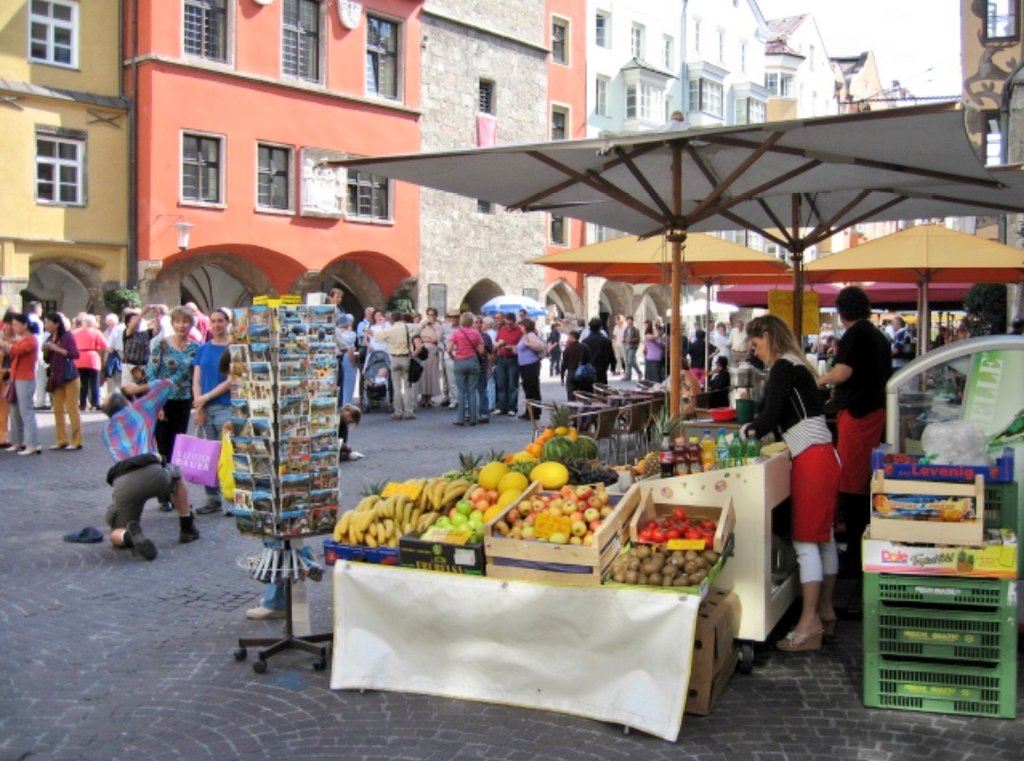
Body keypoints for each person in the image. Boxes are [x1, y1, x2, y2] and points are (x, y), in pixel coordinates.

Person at [743, 315, 839, 652]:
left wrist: (746, 432)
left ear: (768, 335)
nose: (756, 353)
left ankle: (808, 623)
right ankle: (825, 611)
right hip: (825, 454)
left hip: (810, 457)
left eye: (756, 345)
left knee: (805, 542)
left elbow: (770, 416)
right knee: (823, 538)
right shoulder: (799, 364)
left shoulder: (784, 366)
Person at [817, 286, 892, 570]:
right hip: (875, 410)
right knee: (863, 479)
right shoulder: (877, 336)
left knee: (852, 479)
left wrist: (820, 380)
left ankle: (857, 549)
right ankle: (861, 541)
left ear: (841, 312)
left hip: (860, 415)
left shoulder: (855, 335)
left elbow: (842, 372)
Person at [100, 381, 200, 560]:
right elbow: (168, 383)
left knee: (116, 530)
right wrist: (138, 389)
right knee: (176, 475)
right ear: (126, 402)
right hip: (152, 471)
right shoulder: (139, 409)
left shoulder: (106, 430)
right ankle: (187, 526)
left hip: (123, 483)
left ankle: (127, 536)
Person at [126, 306, 199, 510]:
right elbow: (152, 374)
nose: (181, 325)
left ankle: (177, 492)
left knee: (178, 448)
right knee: (163, 448)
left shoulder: (196, 347)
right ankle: (163, 493)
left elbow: (195, 376)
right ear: (173, 323)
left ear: (190, 324)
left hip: (182, 401)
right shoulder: (161, 345)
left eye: (185, 322)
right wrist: (156, 403)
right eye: (178, 321)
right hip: (162, 401)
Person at [192, 307, 233, 515]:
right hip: (206, 409)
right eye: (213, 321)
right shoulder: (203, 349)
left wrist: (205, 398)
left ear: (227, 323)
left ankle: (234, 500)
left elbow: (231, 380)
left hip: (226, 406)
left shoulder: (233, 348)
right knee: (210, 456)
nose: (216, 325)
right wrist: (199, 405)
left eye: (220, 321)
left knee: (230, 455)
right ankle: (212, 498)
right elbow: (196, 379)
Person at [0, 313, 42, 455]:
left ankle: (32, 444)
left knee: (26, 411)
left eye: (16, 324)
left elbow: (15, 350)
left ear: (25, 325)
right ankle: (17, 442)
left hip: (25, 378)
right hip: (16, 377)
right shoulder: (22, 339)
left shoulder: (31, 340)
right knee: (15, 411)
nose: (14, 327)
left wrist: (4, 343)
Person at [368, 310, 421, 420]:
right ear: (401, 317)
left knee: (397, 387)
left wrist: (370, 332)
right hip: (406, 357)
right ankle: (409, 411)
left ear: (392, 319)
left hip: (394, 359)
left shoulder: (390, 330)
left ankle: (398, 412)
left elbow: (377, 336)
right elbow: (419, 327)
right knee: (407, 386)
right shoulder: (408, 327)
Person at [43, 311, 82, 450]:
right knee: (58, 409)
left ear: (57, 324)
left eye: (48, 322)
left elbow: (75, 354)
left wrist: (57, 349)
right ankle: (61, 440)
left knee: (72, 409)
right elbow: (47, 359)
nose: (46, 325)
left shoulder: (67, 336)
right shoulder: (49, 337)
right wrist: (47, 350)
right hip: (57, 377)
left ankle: (76, 440)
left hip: (70, 376)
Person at [448, 312, 486, 426]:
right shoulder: (476, 333)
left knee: (461, 390)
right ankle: (473, 418)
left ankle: (460, 418)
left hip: (460, 361)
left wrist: (454, 358)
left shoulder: (456, 333)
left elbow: (449, 349)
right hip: (473, 362)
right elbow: (481, 351)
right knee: (472, 391)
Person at [73, 314, 108, 411]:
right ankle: (95, 403)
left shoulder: (76, 333)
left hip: (79, 358)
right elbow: (105, 345)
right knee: (94, 382)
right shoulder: (97, 333)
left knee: (82, 383)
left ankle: (83, 403)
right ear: (93, 323)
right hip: (92, 357)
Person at [493, 312, 524, 417]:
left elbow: (522, 346)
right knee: (501, 384)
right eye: (506, 324)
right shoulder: (501, 330)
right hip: (501, 358)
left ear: (515, 322)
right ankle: (502, 407)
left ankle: (512, 408)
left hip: (513, 359)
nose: (508, 326)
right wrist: (499, 344)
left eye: (510, 324)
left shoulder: (520, 330)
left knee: (512, 384)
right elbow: (495, 343)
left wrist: (512, 347)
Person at [515, 318, 545, 418]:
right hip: (525, 365)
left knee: (532, 389)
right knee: (528, 388)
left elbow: (540, 346)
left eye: (522, 325)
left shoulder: (530, 335)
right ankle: (530, 411)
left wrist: (528, 344)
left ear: (526, 326)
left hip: (530, 365)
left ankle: (534, 412)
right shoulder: (525, 336)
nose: (520, 327)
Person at [417, 307, 443, 407]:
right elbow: (418, 337)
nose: (430, 317)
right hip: (423, 352)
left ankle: (429, 397)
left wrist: (426, 338)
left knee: (431, 374)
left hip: (432, 352)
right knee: (423, 374)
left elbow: (435, 339)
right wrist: (427, 338)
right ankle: (423, 396)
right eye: (429, 315)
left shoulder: (438, 326)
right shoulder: (423, 325)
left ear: (435, 316)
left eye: (432, 315)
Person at [560, 329, 591, 400]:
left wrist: (562, 377)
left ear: (571, 337)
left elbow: (564, 364)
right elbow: (589, 361)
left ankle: (572, 410)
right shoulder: (584, 347)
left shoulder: (567, 349)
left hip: (571, 372)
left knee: (571, 395)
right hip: (582, 373)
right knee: (583, 395)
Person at [473, 315, 494, 424]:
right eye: (476, 322)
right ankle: (471, 413)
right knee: (470, 391)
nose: (478, 324)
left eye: (480, 322)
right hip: (472, 366)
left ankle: (484, 412)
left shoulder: (486, 337)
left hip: (482, 366)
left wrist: (489, 367)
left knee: (482, 390)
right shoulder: (470, 335)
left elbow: (490, 353)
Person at [581, 317, 613, 385]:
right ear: (600, 327)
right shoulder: (606, 341)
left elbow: (582, 358)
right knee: (601, 390)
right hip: (602, 370)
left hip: (589, 371)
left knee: (590, 391)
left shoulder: (585, 341)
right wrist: (613, 367)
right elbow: (611, 355)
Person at [101, 312, 125, 403]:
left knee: (118, 380)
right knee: (111, 380)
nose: (110, 325)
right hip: (110, 358)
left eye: (112, 323)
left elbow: (110, 347)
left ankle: (118, 400)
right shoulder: (106, 332)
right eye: (108, 323)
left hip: (117, 357)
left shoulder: (118, 329)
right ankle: (112, 400)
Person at [438, 310, 460, 409]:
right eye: (451, 317)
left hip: (461, 352)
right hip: (448, 352)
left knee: (460, 377)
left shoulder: (462, 327)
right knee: (451, 378)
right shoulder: (444, 327)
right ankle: (454, 399)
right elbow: (439, 341)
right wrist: (444, 349)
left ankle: (461, 399)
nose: (454, 319)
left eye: (456, 317)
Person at [336, 313, 358, 407]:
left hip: (338, 358)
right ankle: (346, 405)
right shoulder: (351, 334)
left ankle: (341, 404)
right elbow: (350, 350)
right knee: (348, 386)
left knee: (339, 384)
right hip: (346, 358)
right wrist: (354, 364)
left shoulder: (336, 332)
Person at [621, 316, 642, 381]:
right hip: (626, 346)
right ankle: (628, 376)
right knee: (627, 361)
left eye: (629, 320)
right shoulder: (626, 329)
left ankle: (639, 372)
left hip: (633, 347)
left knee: (630, 360)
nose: (628, 322)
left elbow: (638, 338)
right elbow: (624, 337)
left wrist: (631, 340)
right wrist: (624, 340)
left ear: (632, 321)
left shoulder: (635, 329)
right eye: (627, 320)